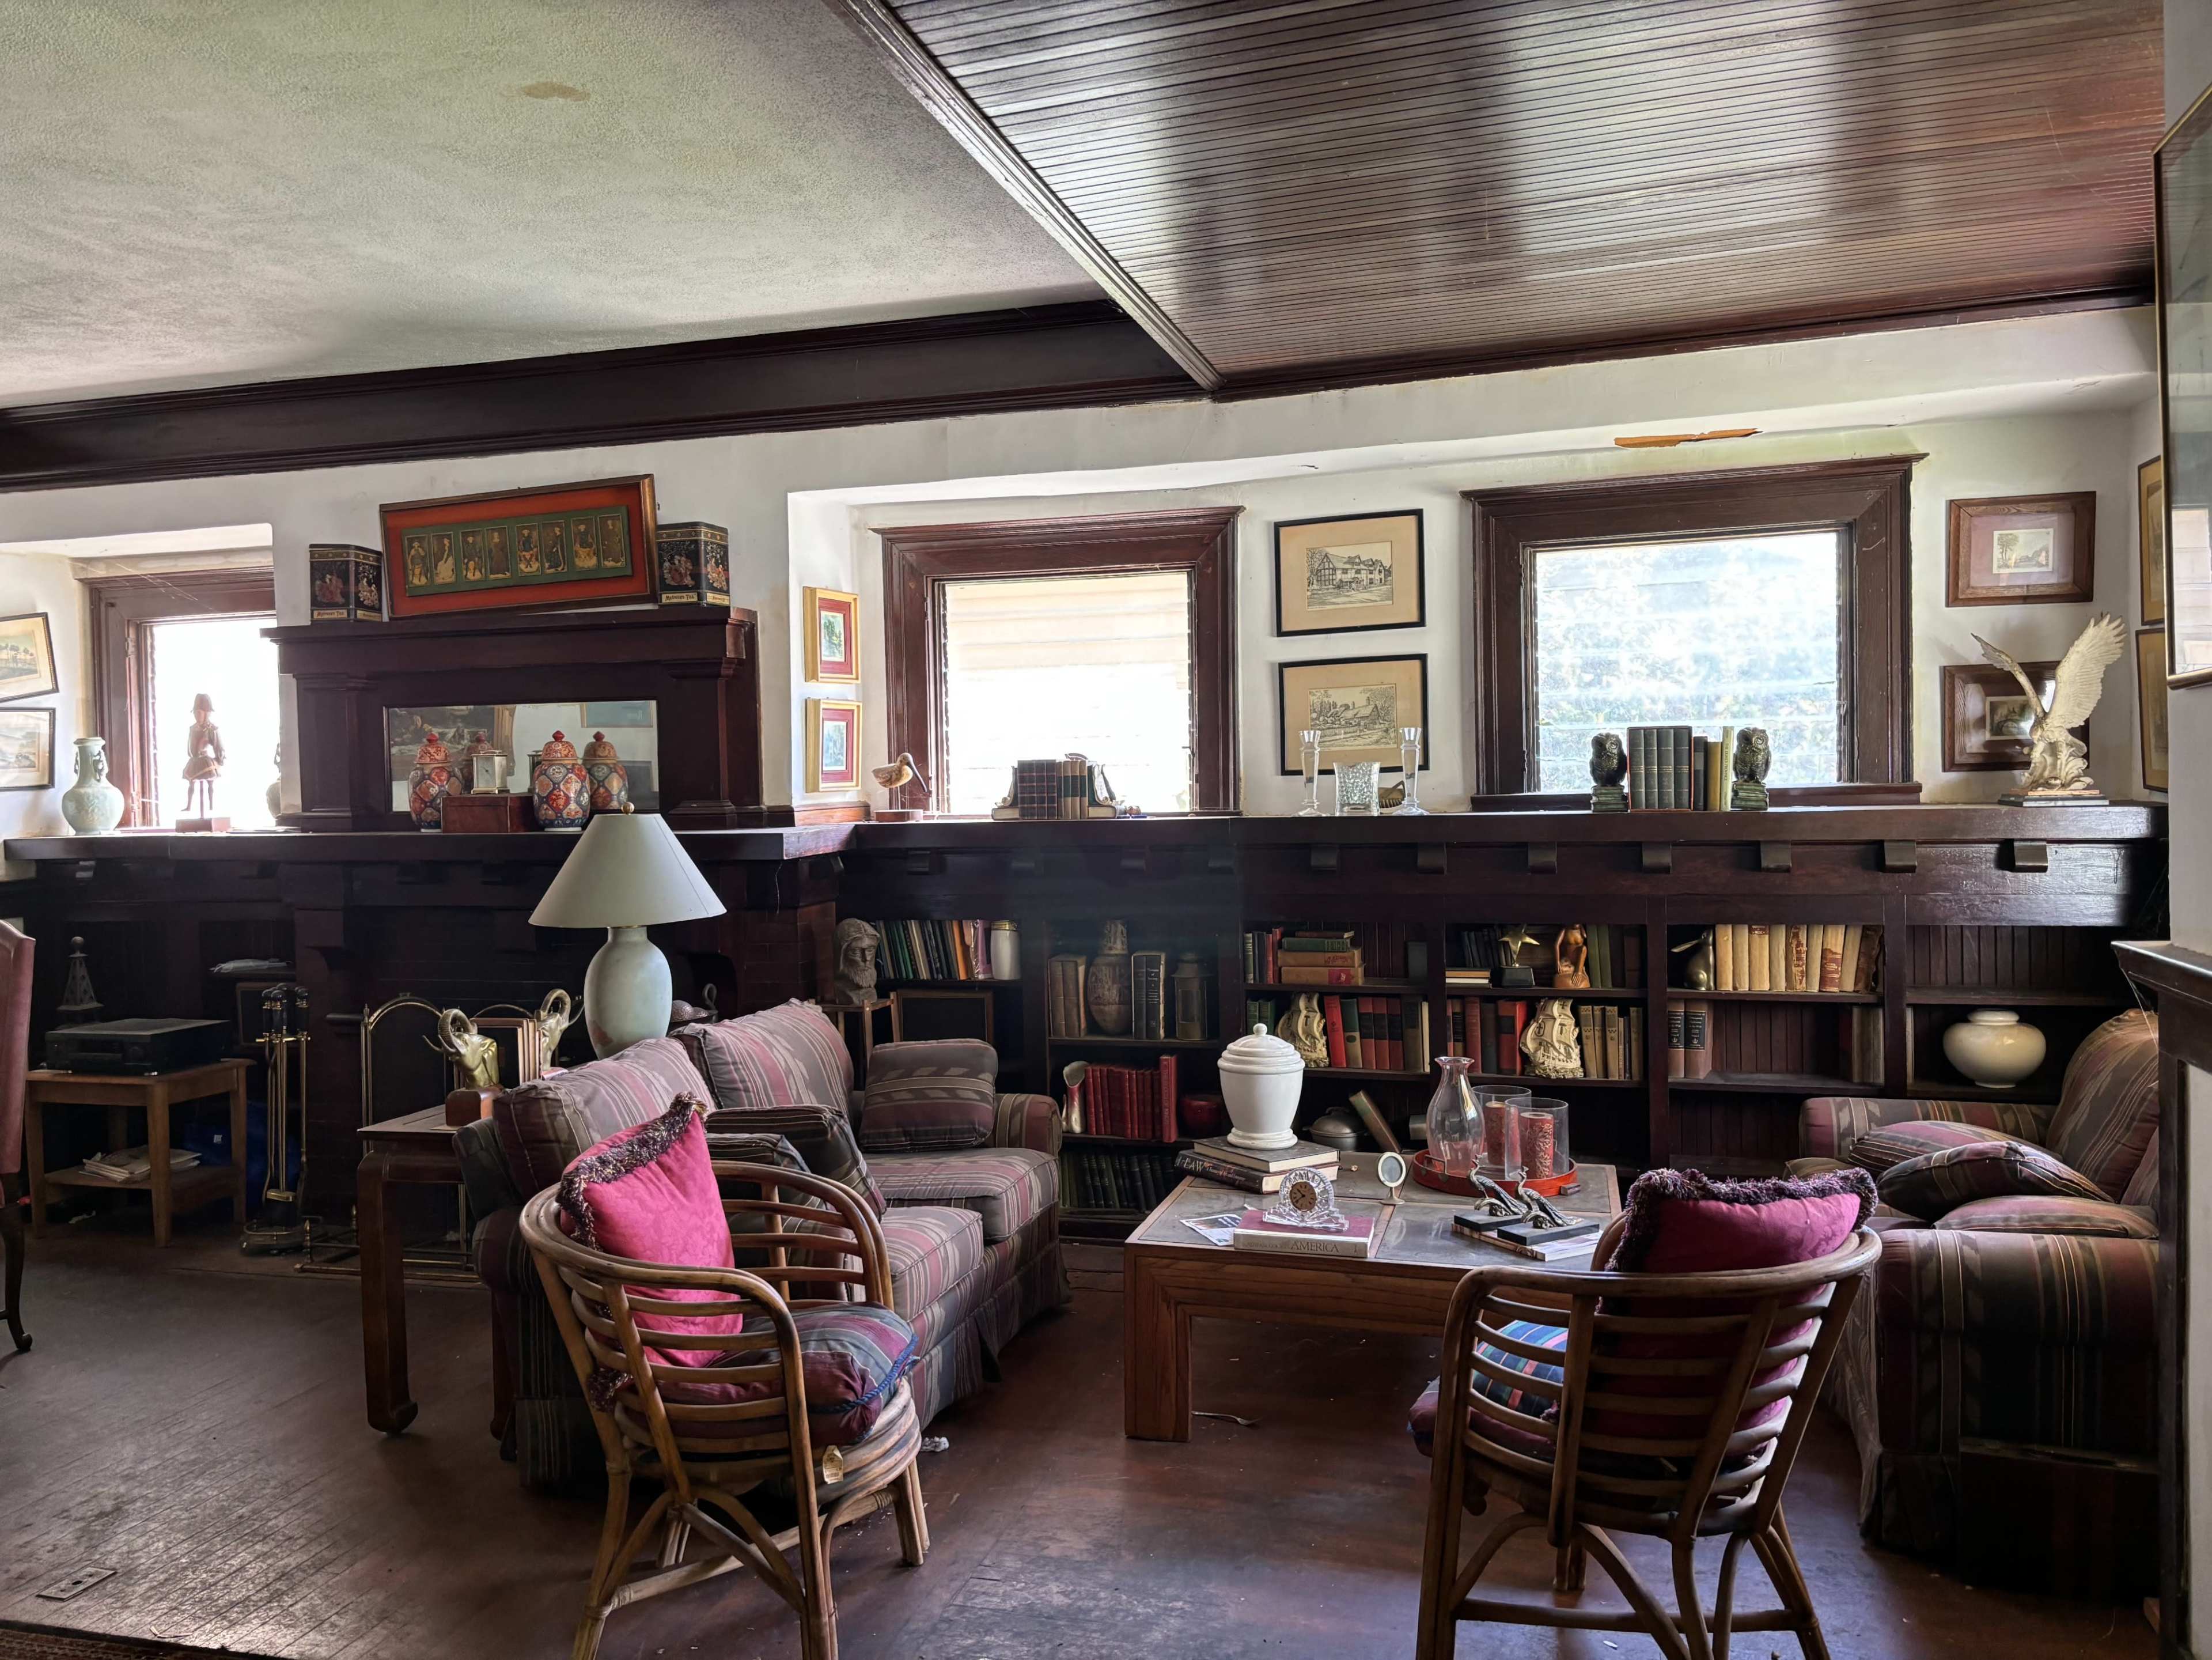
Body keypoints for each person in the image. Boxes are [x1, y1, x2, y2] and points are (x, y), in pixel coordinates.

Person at [181, 693, 225, 819]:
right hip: (194, 760)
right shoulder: (192, 729)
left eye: (199, 712)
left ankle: (211, 806)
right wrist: (191, 754)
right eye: (195, 713)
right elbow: (190, 745)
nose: (196, 715)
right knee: (191, 782)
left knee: (209, 783)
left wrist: (219, 759)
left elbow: (218, 745)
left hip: (205, 760)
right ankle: (189, 806)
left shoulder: (211, 729)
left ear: (207, 713)